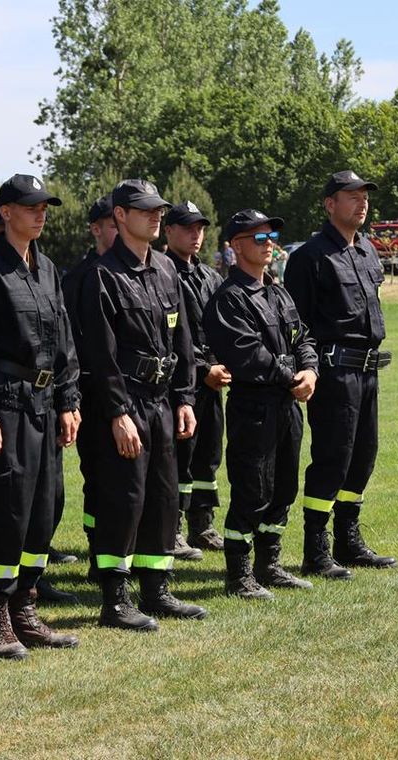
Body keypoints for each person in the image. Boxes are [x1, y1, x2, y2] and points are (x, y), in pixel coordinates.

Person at [0, 174, 81, 660]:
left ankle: (26, 605)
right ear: (5, 212)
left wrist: (69, 400)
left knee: (45, 507)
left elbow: (65, 344)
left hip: (46, 406)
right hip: (4, 404)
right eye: (30, 206)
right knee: (4, 509)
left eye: (45, 205)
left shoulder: (47, 268)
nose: (41, 212)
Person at [78, 179, 206, 631]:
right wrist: (117, 413)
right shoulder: (103, 275)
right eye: (145, 210)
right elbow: (101, 354)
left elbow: (182, 340)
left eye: (158, 210)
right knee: (124, 497)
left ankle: (157, 589)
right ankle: (115, 599)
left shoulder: (167, 270)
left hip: (162, 400)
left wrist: (185, 398)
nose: (156, 216)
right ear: (119, 216)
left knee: (163, 495)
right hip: (127, 401)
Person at [285, 170, 397, 576]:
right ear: (330, 204)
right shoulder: (310, 257)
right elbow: (299, 325)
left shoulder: (367, 251)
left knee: (363, 457)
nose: (362, 202)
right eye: (352, 196)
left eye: (364, 196)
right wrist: (308, 368)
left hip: (368, 372)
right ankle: (317, 550)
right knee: (333, 456)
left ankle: (349, 541)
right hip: (333, 373)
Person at [204, 209, 317, 599]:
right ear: (236, 246)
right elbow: (248, 354)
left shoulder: (278, 290)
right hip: (254, 407)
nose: (269, 244)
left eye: (271, 237)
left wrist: (311, 372)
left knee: (284, 488)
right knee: (253, 489)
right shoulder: (229, 298)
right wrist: (291, 378)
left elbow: (303, 338)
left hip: (287, 406)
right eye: (259, 238)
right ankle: (239, 575)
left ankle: (270, 565)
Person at [163, 202, 226, 555]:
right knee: (178, 457)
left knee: (208, 454)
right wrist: (205, 369)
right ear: (168, 231)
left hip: (214, 383)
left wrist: (222, 365)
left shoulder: (210, 277)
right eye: (187, 227)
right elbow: (174, 338)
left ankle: (202, 524)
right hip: (180, 385)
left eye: (200, 227)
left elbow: (223, 328)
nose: (195, 234)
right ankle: (172, 527)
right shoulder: (162, 273)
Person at [61, 194, 115, 581]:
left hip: (135, 395)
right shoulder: (80, 277)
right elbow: (70, 344)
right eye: (112, 222)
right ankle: (99, 552)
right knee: (99, 478)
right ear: (96, 229)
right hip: (94, 393)